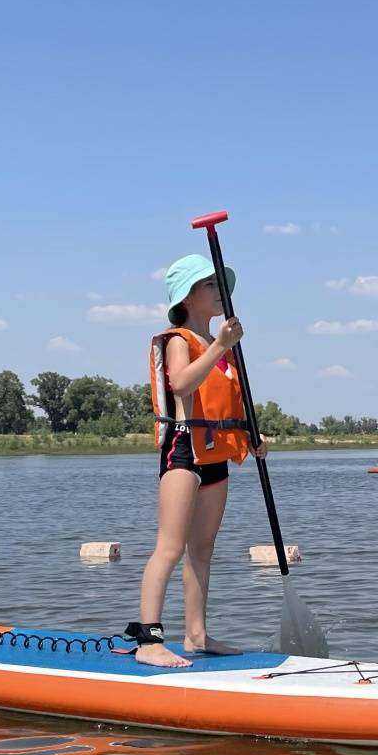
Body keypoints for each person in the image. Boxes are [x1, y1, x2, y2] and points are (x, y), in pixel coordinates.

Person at [127, 254, 265, 669]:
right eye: (210, 285)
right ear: (187, 298)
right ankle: (148, 640)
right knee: (169, 548)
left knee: (202, 549)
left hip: (216, 453)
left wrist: (251, 437)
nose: (220, 292)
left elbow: (225, 402)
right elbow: (182, 383)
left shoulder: (221, 347)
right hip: (184, 449)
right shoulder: (178, 340)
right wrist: (222, 344)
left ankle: (196, 635)